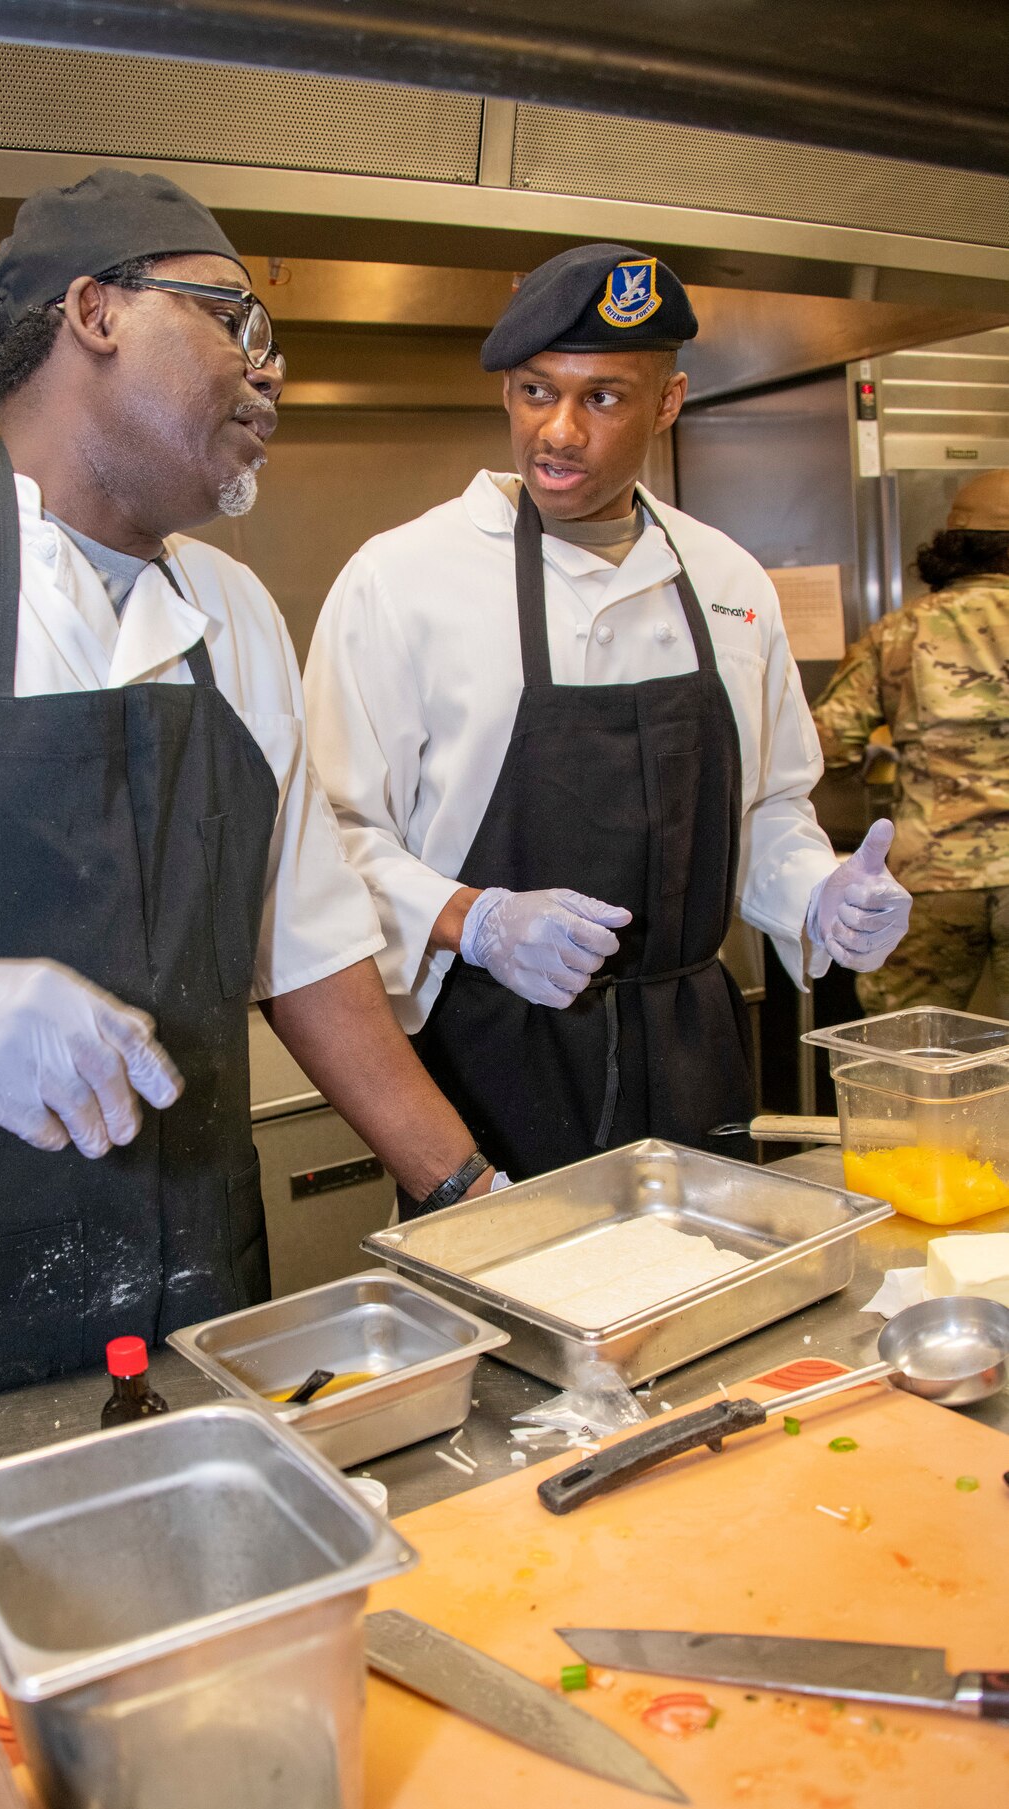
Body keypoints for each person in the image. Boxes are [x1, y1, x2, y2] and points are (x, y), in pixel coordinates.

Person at [0, 170, 494, 1448]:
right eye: (235, 321)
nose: (268, 375)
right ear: (97, 312)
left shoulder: (232, 614)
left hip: (190, 1287)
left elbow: (307, 945)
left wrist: (467, 1193)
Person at [304, 242, 911, 1185]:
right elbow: (329, 835)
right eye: (536, 392)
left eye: (602, 397)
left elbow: (768, 810)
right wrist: (476, 918)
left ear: (667, 402)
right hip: (492, 1054)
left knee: (709, 1310)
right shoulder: (401, 580)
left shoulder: (725, 577)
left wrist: (818, 895)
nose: (558, 431)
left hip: (693, 1042)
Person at [812, 470, 1009, 1014]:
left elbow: (826, 743)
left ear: (954, 547)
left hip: (932, 877)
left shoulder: (900, 631)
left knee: (909, 1052)